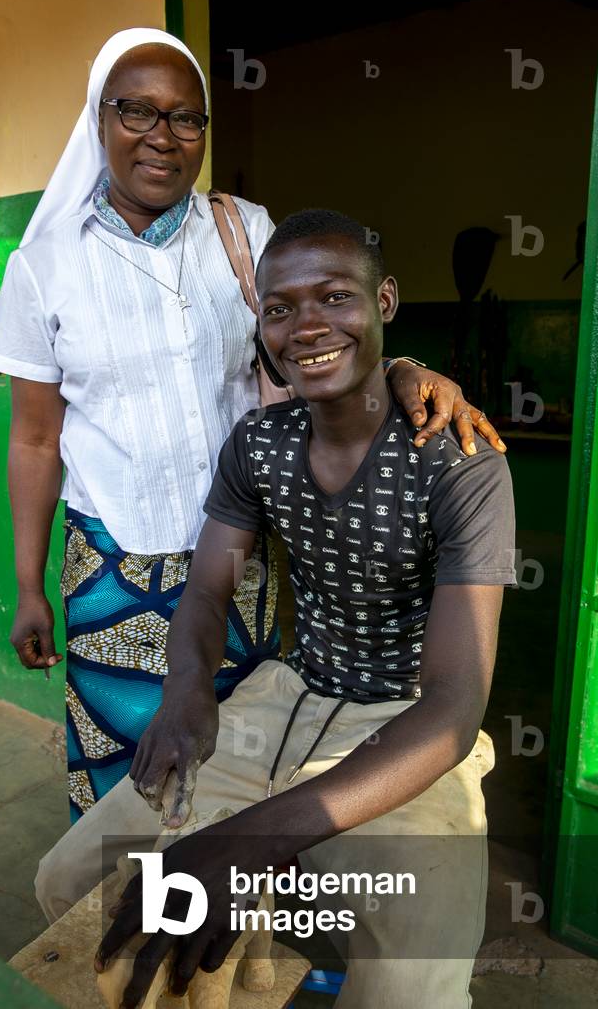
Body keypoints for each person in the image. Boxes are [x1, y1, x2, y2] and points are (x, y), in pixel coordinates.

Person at [0, 28, 505, 823]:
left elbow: (318, 335)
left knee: (239, 760)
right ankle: (130, 912)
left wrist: (405, 370)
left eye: (186, 118)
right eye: (136, 112)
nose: (162, 136)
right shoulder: (43, 266)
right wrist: (27, 585)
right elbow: (33, 439)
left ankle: (229, 894)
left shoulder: (243, 230)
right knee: (121, 780)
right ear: (98, 120)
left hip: (243, 551)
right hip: (110, 564)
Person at [34, 210, 516, 1008]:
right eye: (280, 309)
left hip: (408, 724)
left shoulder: (457, 463)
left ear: (385, 300)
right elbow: (208, 587)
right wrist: (188, 691)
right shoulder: (261, 443)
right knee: (74, 882)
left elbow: (454, 710)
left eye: (335, 297)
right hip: (285, 695)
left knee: (413, 987)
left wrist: (245, 841)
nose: (307, 327)